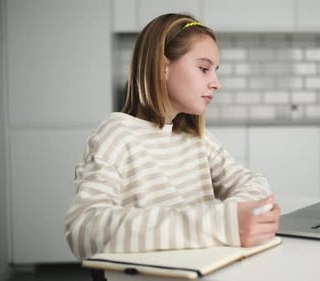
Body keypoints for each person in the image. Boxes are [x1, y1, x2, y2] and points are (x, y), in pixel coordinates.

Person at [64, 13, 280, 260]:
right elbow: (84, 229)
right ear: (162, 67)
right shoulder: (117, 134)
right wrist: (220, 224)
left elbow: (254, 183)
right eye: (203, 69)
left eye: (215, 71)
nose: (216, 83)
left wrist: (234, 217)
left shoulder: (196, 139)